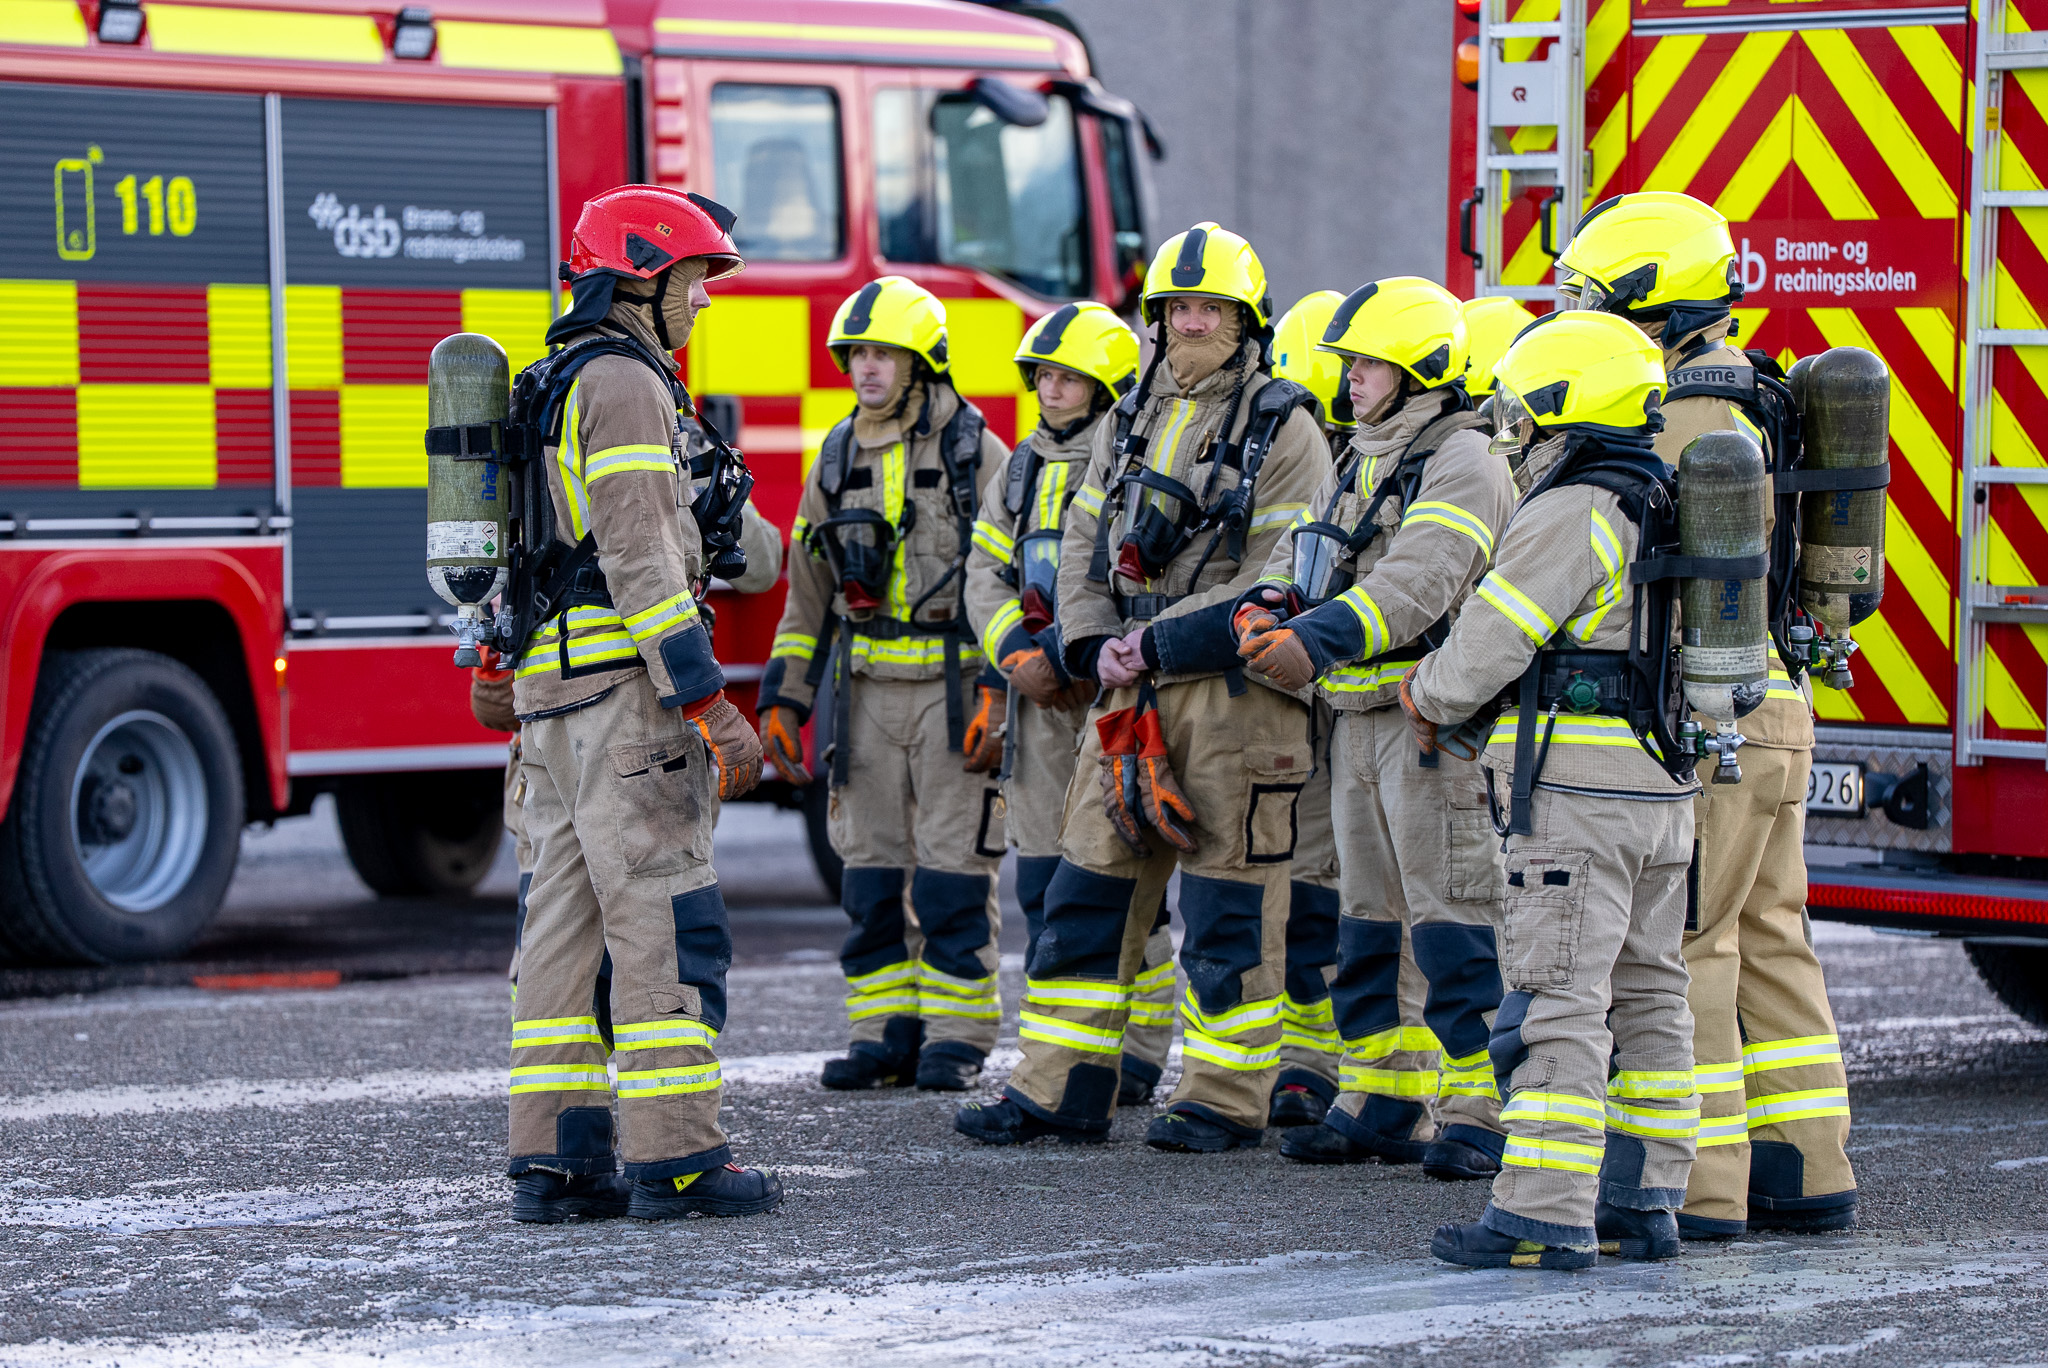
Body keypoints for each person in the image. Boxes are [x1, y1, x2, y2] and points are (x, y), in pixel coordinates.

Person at [952, 221, 1333, 1153]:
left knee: (1225, 912)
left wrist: (1151, 642)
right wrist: (1091, 648)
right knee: (1085, 894)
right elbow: (1085, 551)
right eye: (1175, 308)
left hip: (1234, 698)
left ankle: (1221, 1098)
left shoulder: (1287, 427)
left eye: (1211, 309)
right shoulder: (1124, 419)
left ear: (1246, 321)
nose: (1191, 323)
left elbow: (1284, 575)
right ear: (1154, 319)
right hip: (1126, 691)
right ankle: (1061, 1087)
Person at [1558, 190, 1856, 1237]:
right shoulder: (1761, 393)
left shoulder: (1668, 411)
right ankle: (1806, 1165)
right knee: (1772, 932)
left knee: (1687, 944)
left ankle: (1705, 1185)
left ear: (1644, 298)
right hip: (1777, 705)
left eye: (1592, 296)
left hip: (1707, 715)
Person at [1402, 310, 1699, 1268]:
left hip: (1578, 798)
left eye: (1524, 410)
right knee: (1653, 993)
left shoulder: (1576, 508)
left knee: (1556, 997)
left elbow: (1494, 637)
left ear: (1565, 406)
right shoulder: (1673, 496)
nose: (1512, 429)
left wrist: (1428, 692)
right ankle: (1647, 1202)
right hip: (1664, 791)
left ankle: (1542, 1208)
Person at [506, 184, 778, 1223]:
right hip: (625, 696)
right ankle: (674, 1157)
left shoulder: (555, 377)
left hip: (551, 695)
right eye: (696, 281)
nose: (704, 303)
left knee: (561, 933)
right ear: (643, 275)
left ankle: (559, 1161)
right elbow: (638, 560)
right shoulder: (621, 381)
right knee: (664, 913)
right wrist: (705, 697)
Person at [1236, 278, 1513, 1176]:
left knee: (1451, 920)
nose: (1349, 380)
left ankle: (1480, 1107)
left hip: (1432, 723)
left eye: (1367, 366)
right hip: (1356, 714)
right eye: (1351, 364)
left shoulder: (1464, 459)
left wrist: (1309, 639)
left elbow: (1421, 581)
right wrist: (1267, 604)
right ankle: (1383, 1093)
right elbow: (1305, 548)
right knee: (1369, 921)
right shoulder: (1361, 453)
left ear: (1421, 372)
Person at [755, 277, 1013, 1095]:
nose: (867, 369)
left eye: (884, 355)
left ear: (922, 361)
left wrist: (997, 692)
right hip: (863, 694)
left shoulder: (979, 454)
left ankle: (958, 1035)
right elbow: (808, 594)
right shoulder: (833, 457)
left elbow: (1006, 580)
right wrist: (787, 697)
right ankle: (882, 1032)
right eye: (858, 354)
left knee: (951, 873)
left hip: (953, 690)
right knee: (868, 873)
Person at [962, 301, 1182, 1105]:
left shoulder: (1132, 458)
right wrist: (1016, 655)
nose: (1051, 390)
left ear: (1108, 386)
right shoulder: (1016, 469)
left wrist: (1082, 654)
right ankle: (1070, 1059)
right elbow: (983, 575)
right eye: (1044, 376)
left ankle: (1142, 1051)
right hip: (1037, 704)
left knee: (1123, 886)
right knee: (1044, 886)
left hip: (1106, 696)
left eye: (1069, 377)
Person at [1260, 291, 1355, 1125]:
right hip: (1305, 702)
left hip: (1364, 706)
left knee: (1347, 893)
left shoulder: (1389, 462)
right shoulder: (1326, 461)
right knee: (1304, 884)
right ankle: (1302, 1062)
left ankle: (1331, 1064)